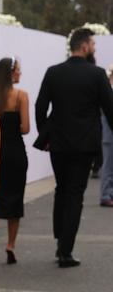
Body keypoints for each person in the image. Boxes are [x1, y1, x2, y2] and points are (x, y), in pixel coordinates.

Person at [35, 27, 113, 268]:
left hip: (58, 144)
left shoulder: (53, 72)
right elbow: (110, 111)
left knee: (62, 189)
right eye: (93, 44)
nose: (94, 48)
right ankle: (65, 251)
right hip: (85, 145)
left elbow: (40, 108)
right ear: (84, 46)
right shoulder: (97, 74)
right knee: (74, 194)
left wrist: (46, 134)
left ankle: (60, 238)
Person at [0, 57, 29, 264]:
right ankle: (10, 245)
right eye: (18, 70)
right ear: (11, 72)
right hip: (16, 154)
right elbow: (26, 128)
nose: (20, 74)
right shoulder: (21, 96)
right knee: (15, 201)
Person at [100, 65, 113, 207]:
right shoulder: (108, 91)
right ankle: (105, 195)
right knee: (108, 166)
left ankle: (109, 193)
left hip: (108, 133)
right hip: (109, 134)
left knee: (110, 166)